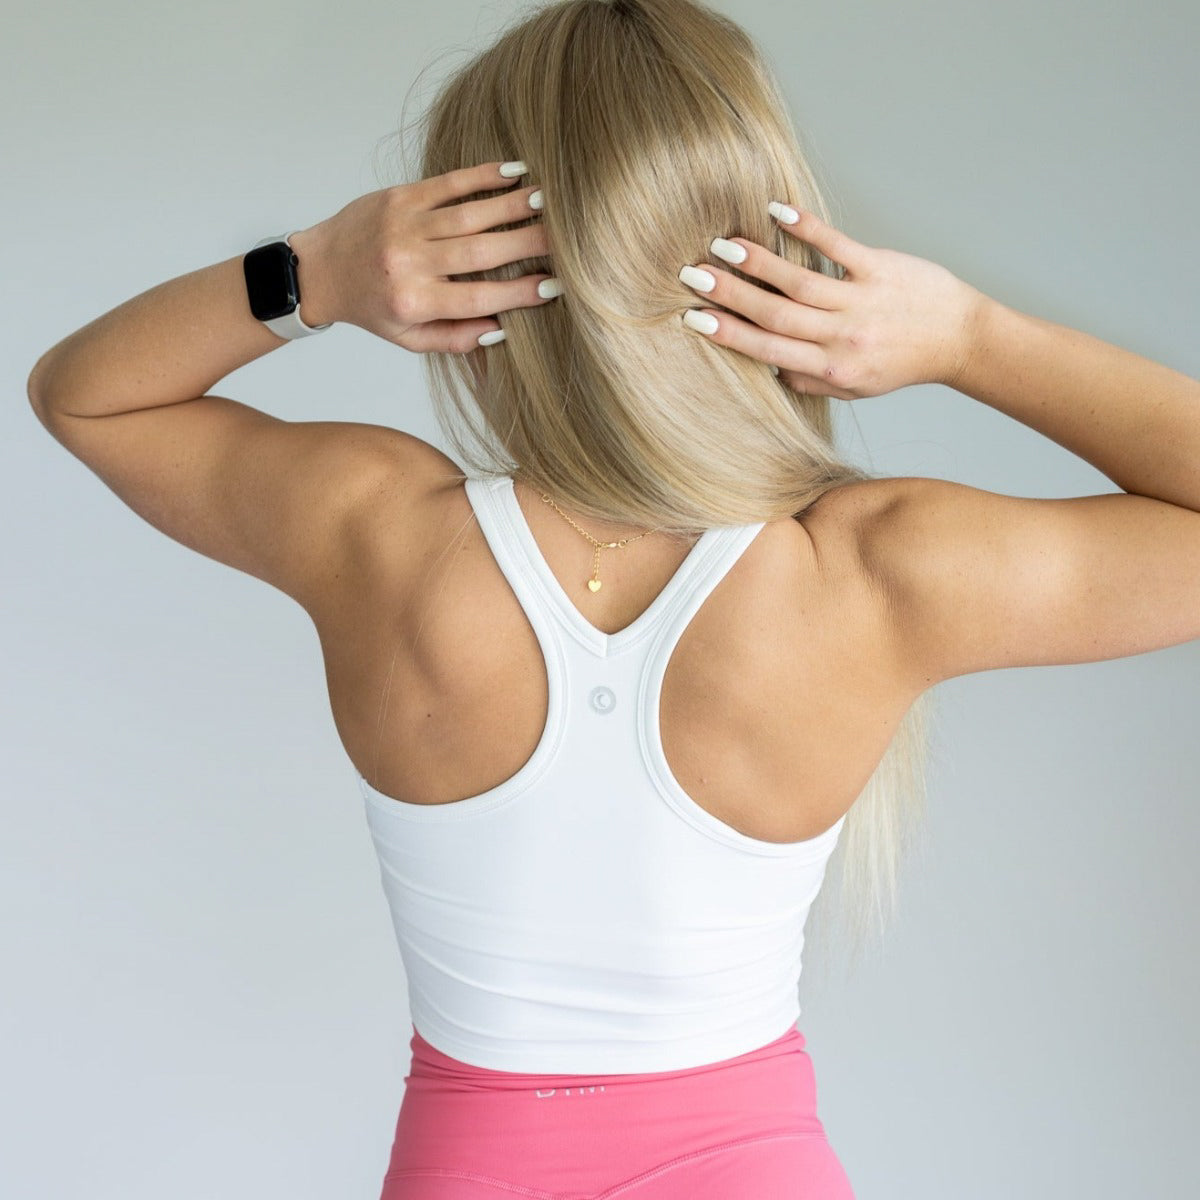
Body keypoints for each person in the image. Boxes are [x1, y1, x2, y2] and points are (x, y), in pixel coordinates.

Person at [25, 0, 1200, 1196]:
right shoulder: (869, 576)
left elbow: (86, 395)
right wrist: (971, 336)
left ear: (459, 262)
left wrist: (313, 272)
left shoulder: (378, 536)